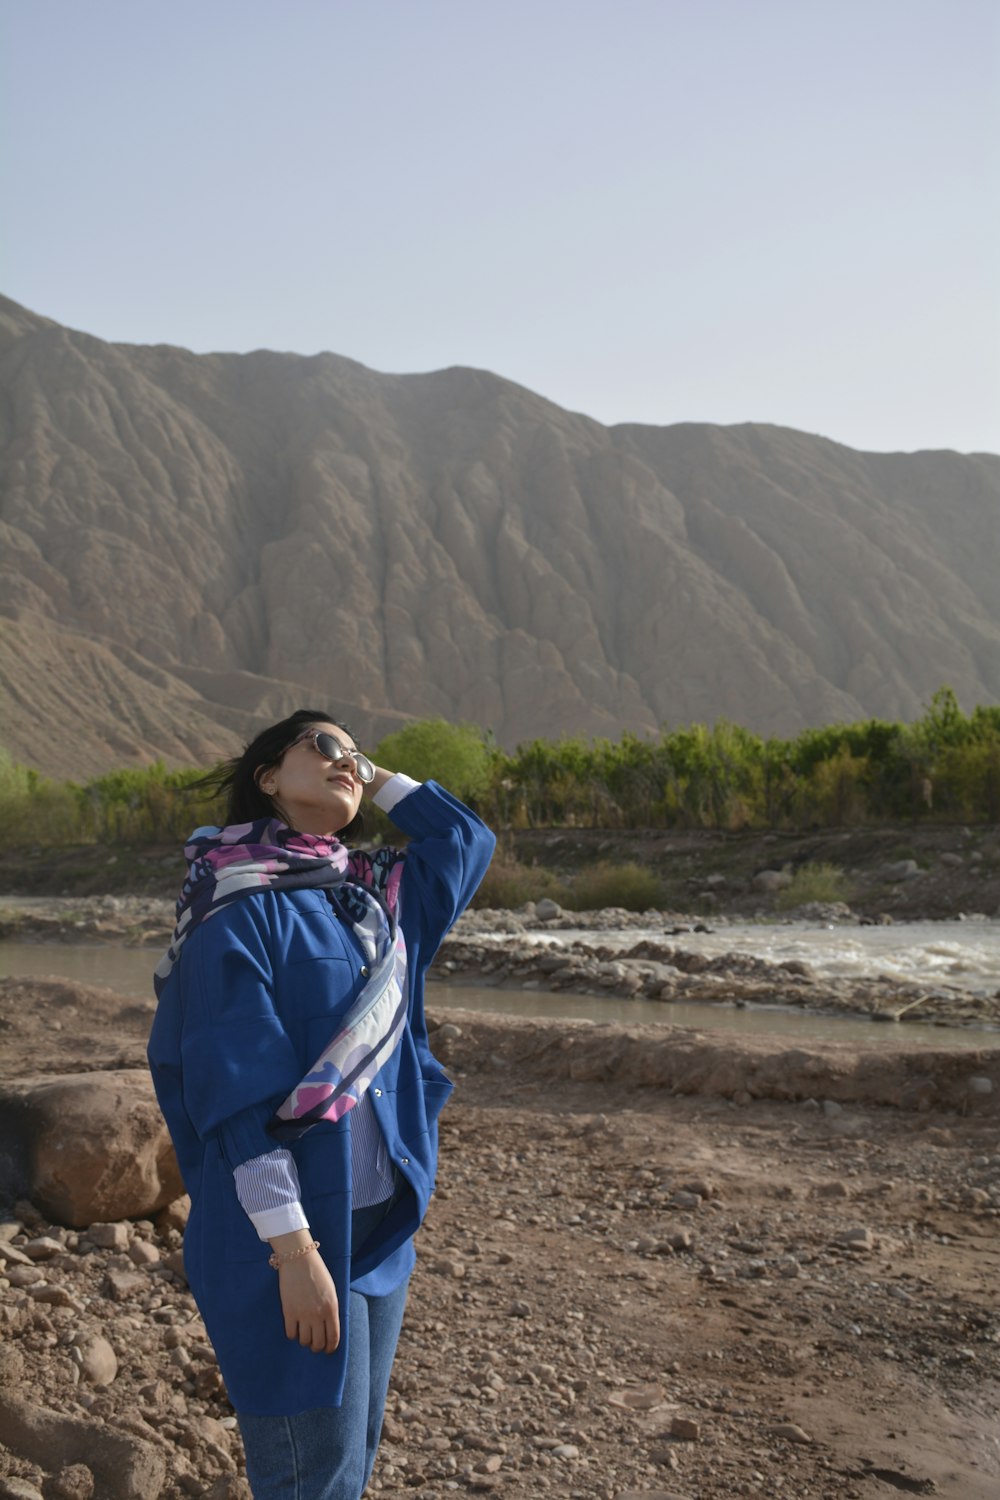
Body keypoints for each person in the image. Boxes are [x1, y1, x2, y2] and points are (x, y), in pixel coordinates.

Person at [148, 710, 495, 1499]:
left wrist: (376, 776)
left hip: (376, 1233)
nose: (345, 761)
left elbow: (466, 843)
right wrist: (294, 1254)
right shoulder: (234, 911)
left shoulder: (372, 897)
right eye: (323, 746)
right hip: (287, 1236)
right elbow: (233, 1100)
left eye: (355, 753)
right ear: (269, 778)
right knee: (308, 1476)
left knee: (350, 1462)